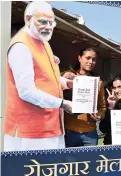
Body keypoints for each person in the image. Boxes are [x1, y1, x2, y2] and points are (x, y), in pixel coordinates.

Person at [3, 1, 73, 151]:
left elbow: (45, 79)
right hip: (30, 131)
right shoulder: (21, 46)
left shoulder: (43, 42)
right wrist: (63, 104)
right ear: (28, 19)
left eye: (51, 22)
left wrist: (67, 83)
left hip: (50, 126)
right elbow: (27, 92)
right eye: (42, 21)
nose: (47, 27)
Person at [62, 48, 106, 147]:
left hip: (90, 133)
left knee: (90, 162)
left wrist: (99, 115)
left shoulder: (98, 83)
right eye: (88, 58)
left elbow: (102, 107)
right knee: (68, 162)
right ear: (79, 58)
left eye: (94, 59)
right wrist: (61, 77)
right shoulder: (68, 77)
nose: (91, 62)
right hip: (69, 131)